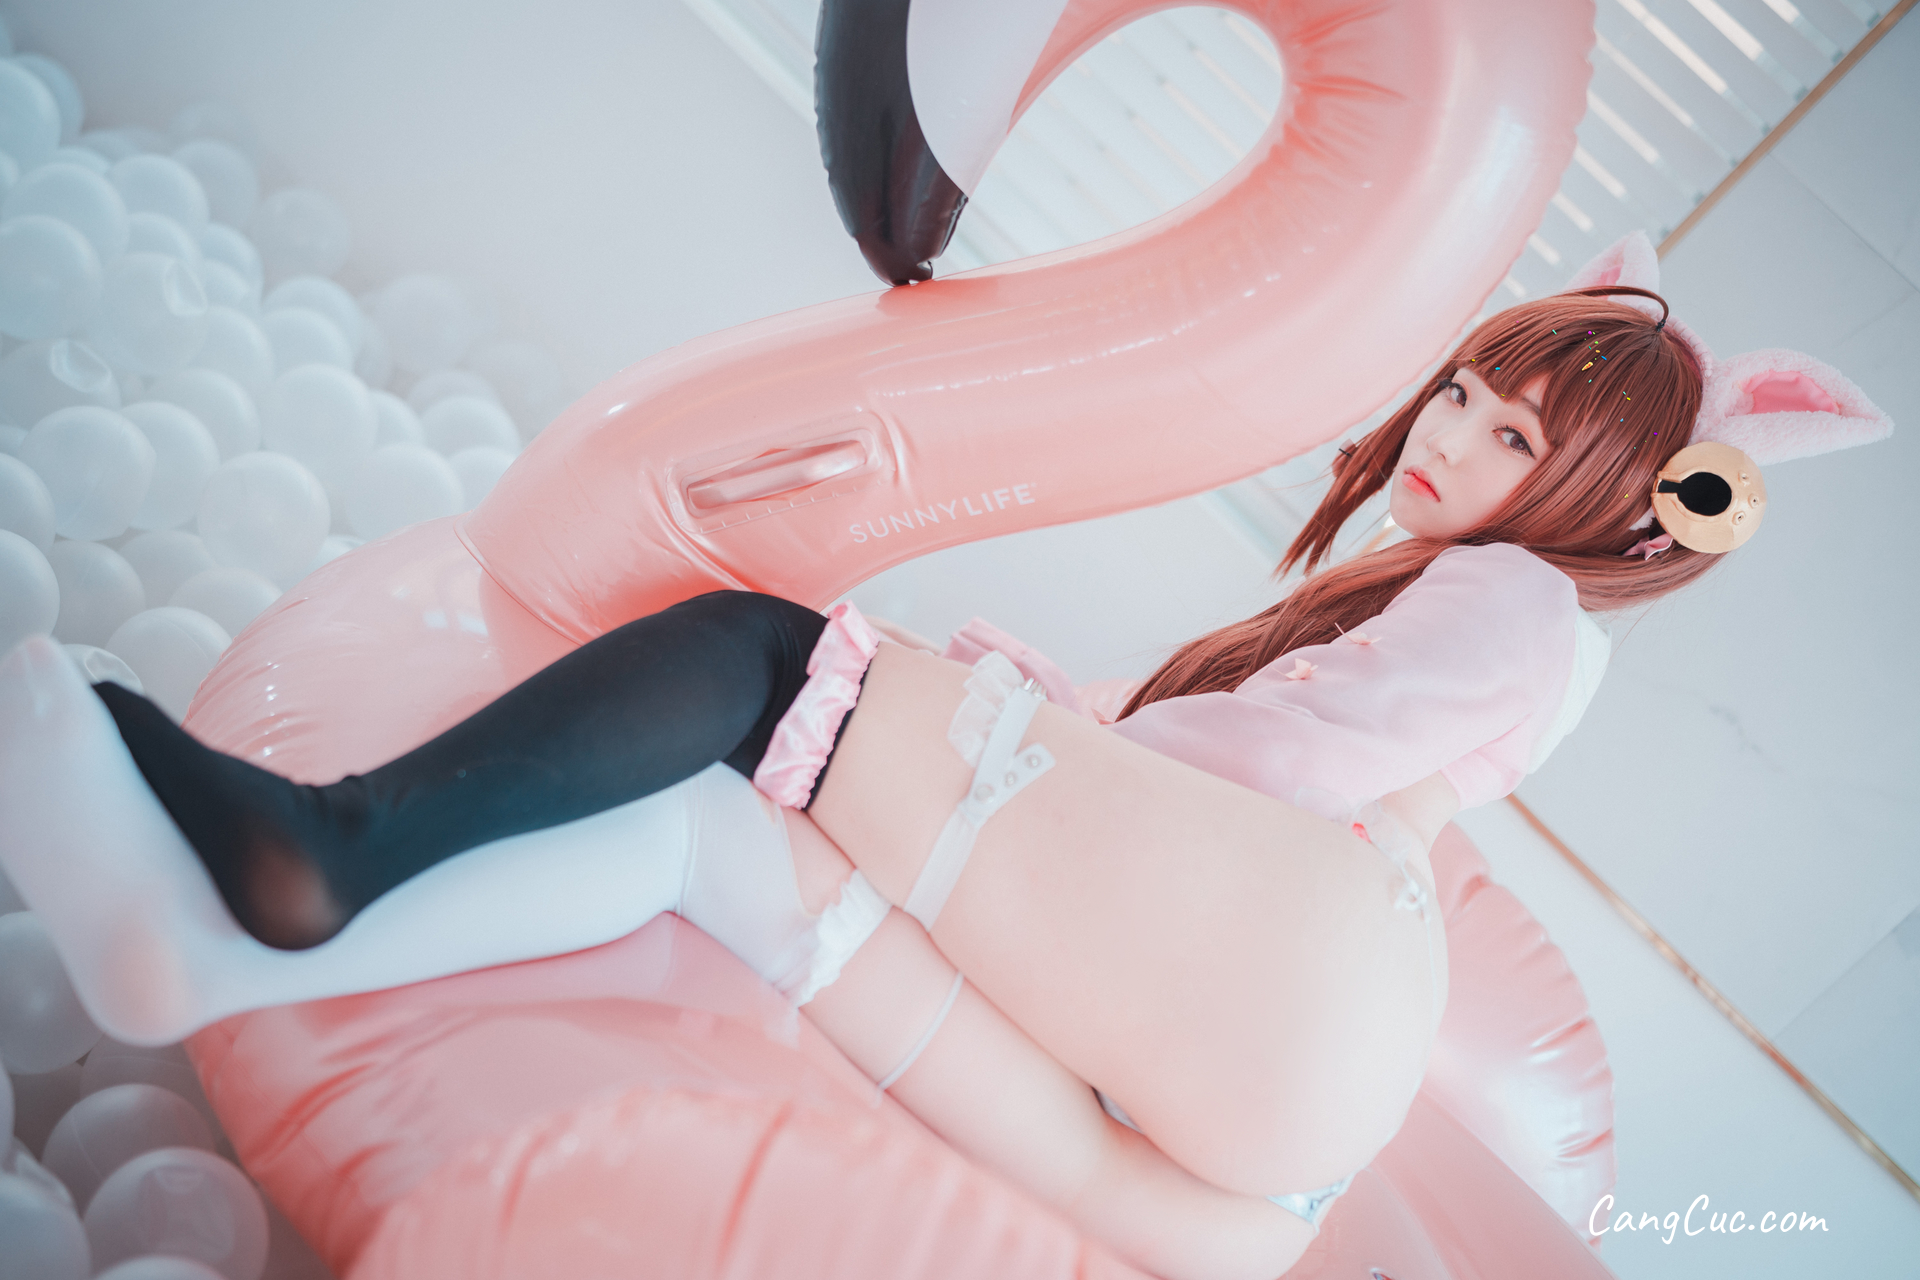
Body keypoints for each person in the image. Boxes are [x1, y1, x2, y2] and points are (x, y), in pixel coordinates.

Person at [0, 282, 1886, 1280]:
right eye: (1464, 391)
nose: (1450, 436)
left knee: (765, 659)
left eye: (1515, 435)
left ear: (1596, 499)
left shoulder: (1512, 602)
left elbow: (1280, 769)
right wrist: (1048, 734)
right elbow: (1240, 791)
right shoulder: (1493, 614)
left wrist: (1028, 751)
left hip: (1267, 1019)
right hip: (1240, 1140)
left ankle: (320, 853)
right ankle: (222, 951)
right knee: (719, 826)